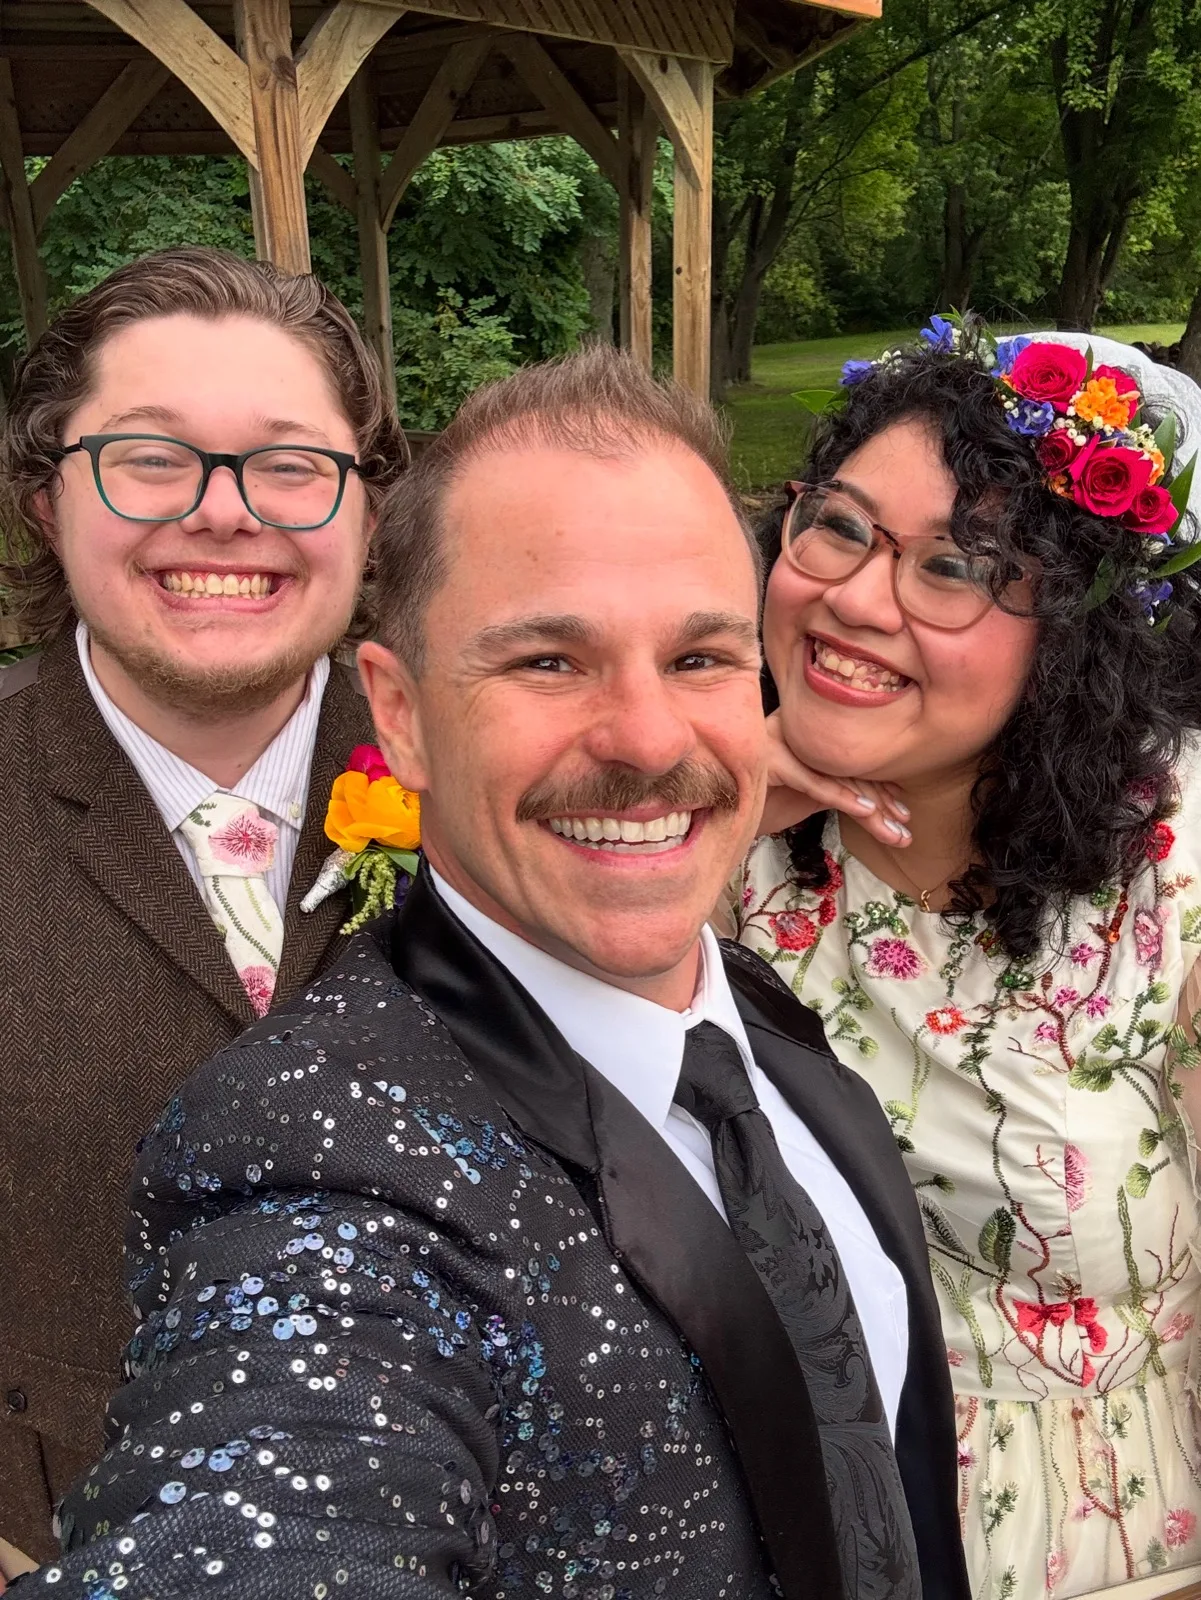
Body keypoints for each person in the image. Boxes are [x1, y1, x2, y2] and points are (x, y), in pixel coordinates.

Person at [11, 347, 970, 1600]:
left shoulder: (756, 1017)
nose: (647, 738)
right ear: (400, 714)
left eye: (699, 658)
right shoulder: (318, 1160)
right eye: (546, 661)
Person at [734, 321, 1201, 1599]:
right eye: (837, 526)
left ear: (1075, 640)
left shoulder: (1176, 876)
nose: (853, 598)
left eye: (954, 566)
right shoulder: (706, 838)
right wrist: (702, 819)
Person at [0, 247, 408, 1575]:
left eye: (290, 464)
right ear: (48, 498)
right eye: (150, 458)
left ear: (365, 505)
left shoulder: (488, 773)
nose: (223, 513)